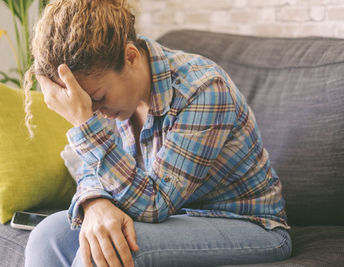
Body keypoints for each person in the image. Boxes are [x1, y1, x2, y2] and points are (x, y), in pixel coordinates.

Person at [23, 0, 292, 266]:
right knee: (47, 237)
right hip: (174, 217)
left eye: (98, 98)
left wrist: (84, 124)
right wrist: (95, 203)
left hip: (249, 225)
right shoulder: (112, 97)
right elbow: (94, 168)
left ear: (131, 57)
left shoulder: (203, 90)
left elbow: (155, 203)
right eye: (87, 107)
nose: (97, 112)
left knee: (112, 251)